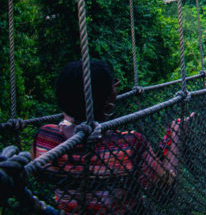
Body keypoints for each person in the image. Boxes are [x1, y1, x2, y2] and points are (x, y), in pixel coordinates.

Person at [32, 60, 190, 214]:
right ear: (108, 105)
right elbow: (164, 193)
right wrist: (176, 135)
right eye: (112, 86)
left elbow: (39, 174)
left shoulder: (45, 138)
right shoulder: (129, 145)